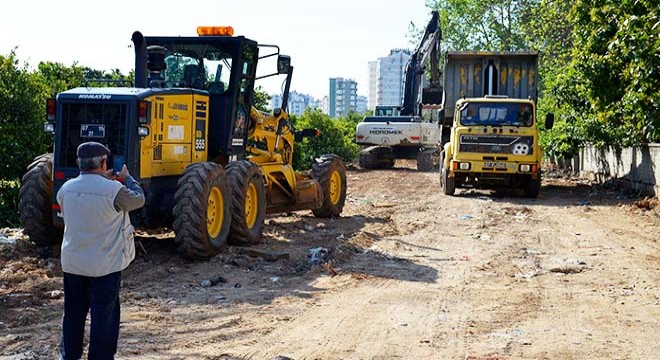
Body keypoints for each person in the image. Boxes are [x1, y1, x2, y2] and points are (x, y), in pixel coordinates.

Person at [56, 141, 145, 360]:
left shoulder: (65, 189)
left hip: (73, 265)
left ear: (79, 163)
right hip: (104, 267)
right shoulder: (115, 190)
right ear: (104, 162)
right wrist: (127, 179)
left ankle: (70, 355)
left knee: (73, 315)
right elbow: (139, 199)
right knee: (103, 318)